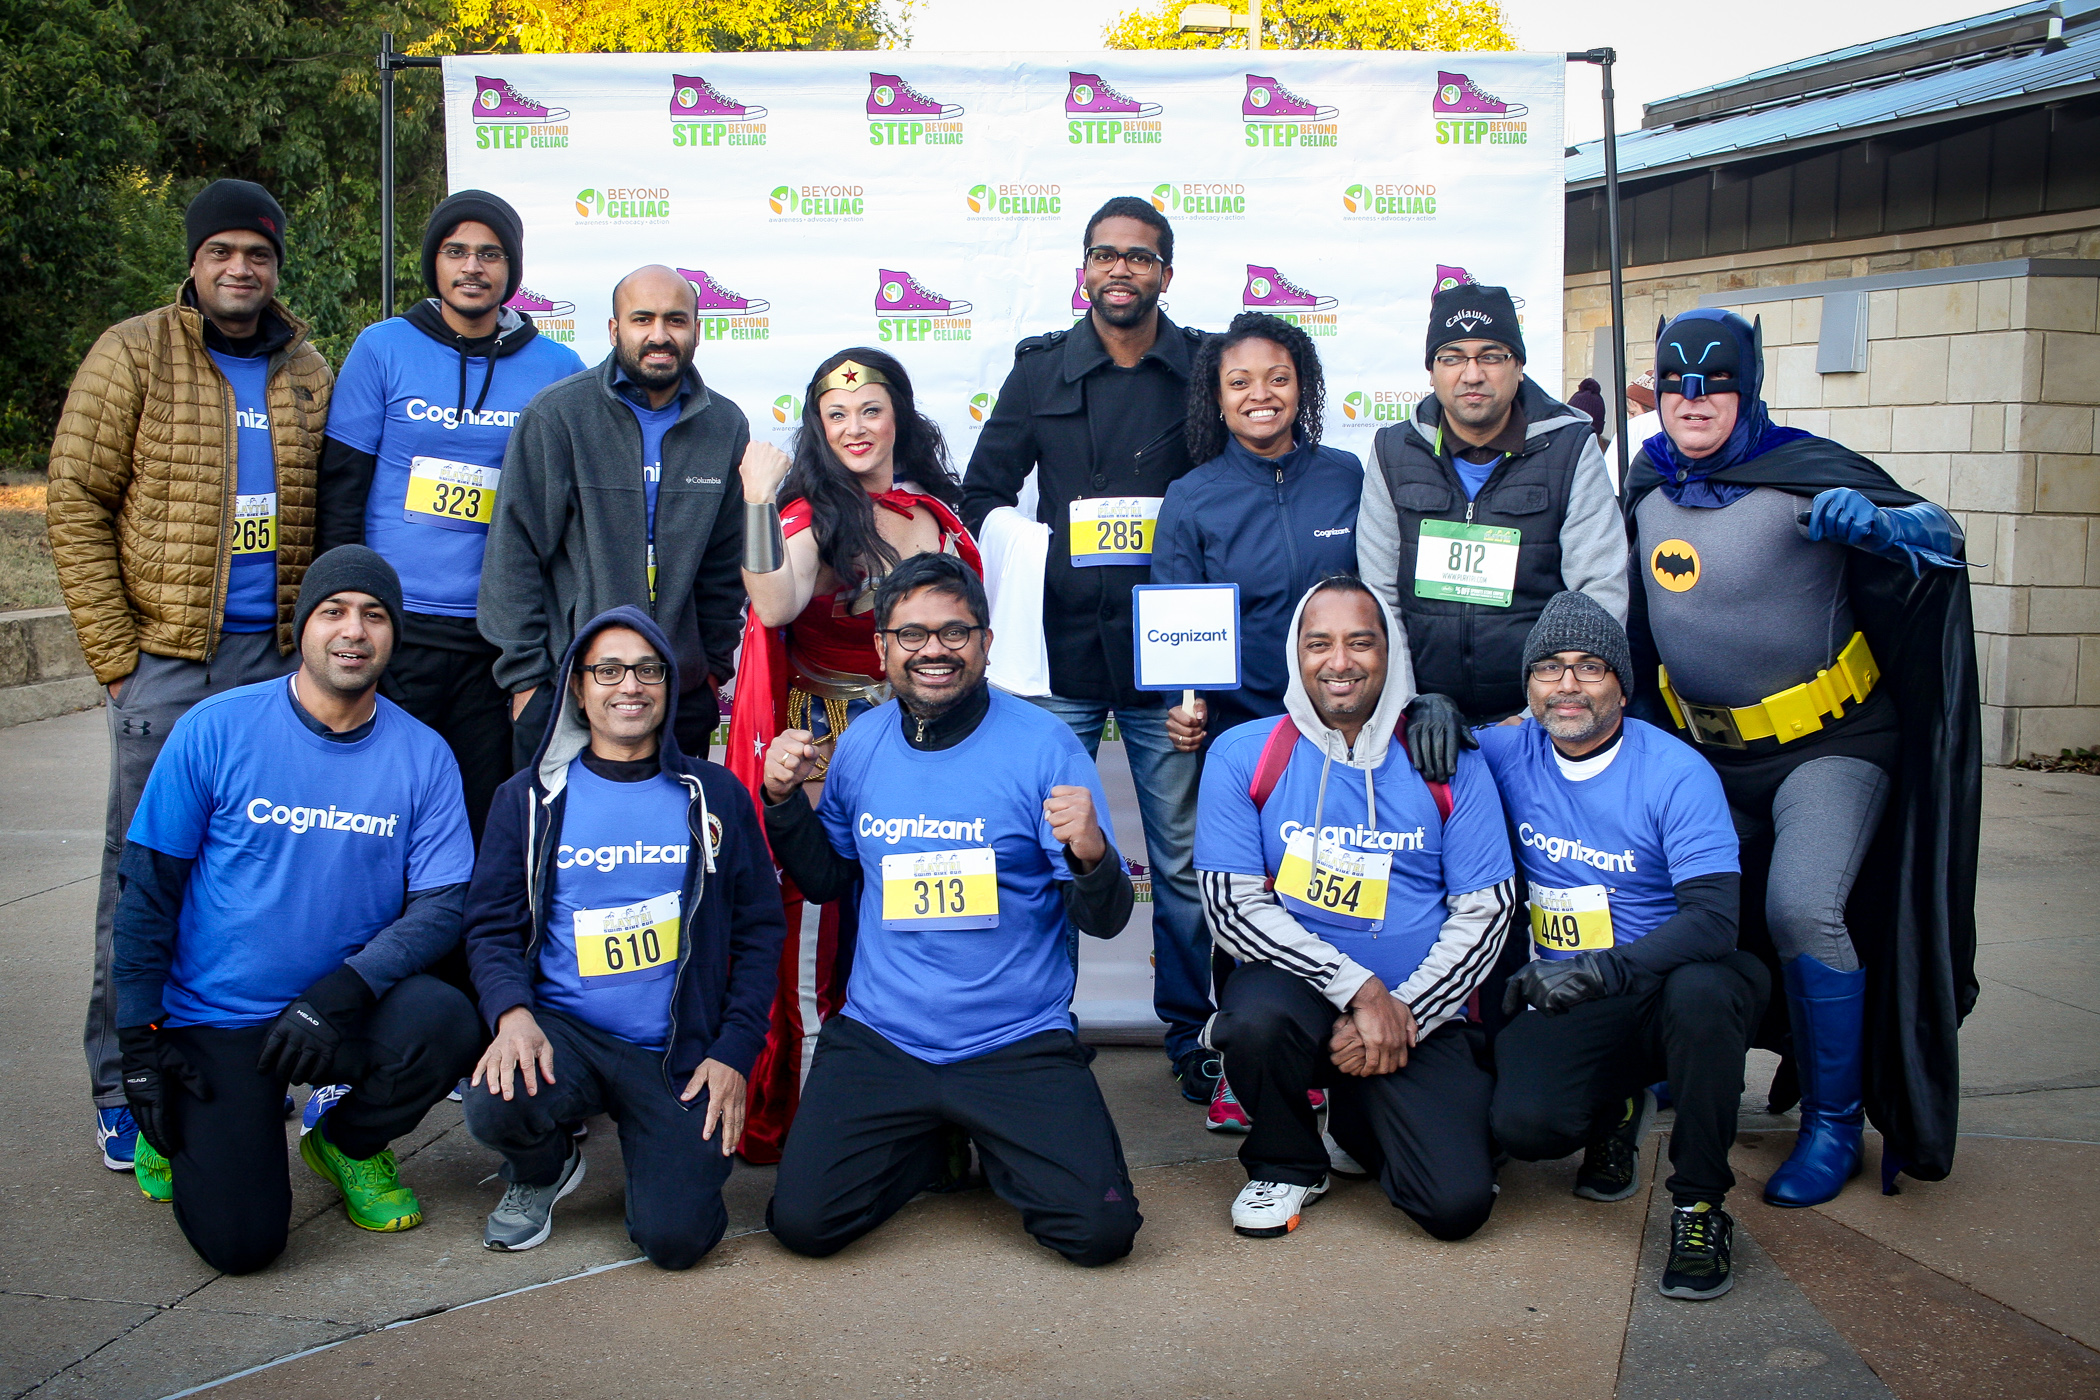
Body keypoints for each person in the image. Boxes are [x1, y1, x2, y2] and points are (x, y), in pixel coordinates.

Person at [1624, 308, 1978, 1205]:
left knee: (1801, 908)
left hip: (1832, 746)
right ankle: (1688, 1066)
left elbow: (1944, 538)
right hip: (1702, 752)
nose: (1694, 401)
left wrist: (1890, 527)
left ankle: (1831, 1122)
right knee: (1685, 908)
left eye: (1716, 384)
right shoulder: (1645, 482)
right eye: (1676, 384)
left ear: (1750, 388)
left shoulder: (1807, 470)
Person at [47, 178, 332, 1172]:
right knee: (143, 880)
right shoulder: (135, 353)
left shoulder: (307, 369)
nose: (240, 269)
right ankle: (123, 1080)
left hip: (276, 672)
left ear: (275, 265)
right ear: (196, 262)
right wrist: (121, 662)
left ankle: (255, 1069)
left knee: (266, 877)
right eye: (222, 253)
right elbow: (75, 505)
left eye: (257, 254)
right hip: (169, 665)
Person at [759, 553, 1141, 1267]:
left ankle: (988, 1141)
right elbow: (827, 880)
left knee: (1099, 1235)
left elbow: (1109, 919)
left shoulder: (1045, 746)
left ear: (986, 643)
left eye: (954, 632)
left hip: (1014, 1040)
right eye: (911, 634)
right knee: (802, 1225)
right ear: (882, 649)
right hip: (884, 1038)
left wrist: (1092, 854)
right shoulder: (863, 744)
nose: (933, 649)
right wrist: (781, 806)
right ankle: (933, 1139)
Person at [110, 547, 480, 1273]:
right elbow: (147, 890)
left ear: (393, 636)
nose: (354, 631)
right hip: (217, 1017)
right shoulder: (216, 728)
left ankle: (345, 1143)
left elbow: (444, 904)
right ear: (302, 627)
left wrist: (343, 991)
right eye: (333, 611)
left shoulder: (424, 754)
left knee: (447, 1021)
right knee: (243, 1245)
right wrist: (137, 1045)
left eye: (374, 616)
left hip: (336, 1009)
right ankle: (177, 1131)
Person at [959, 195, 1213, 1105]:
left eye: (1139, 258)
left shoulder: (1205, 369)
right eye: (1104, 255)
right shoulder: (1039, 374)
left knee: (1180, 860)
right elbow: (979, 496)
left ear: (1164, 275)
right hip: (1058, 649)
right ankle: (1041, 1029)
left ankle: (1195, 1036)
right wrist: (1044, 551)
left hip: (1168, 657)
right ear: (1084, 269)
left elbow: (1225, 493)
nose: (1120, 270)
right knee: (1050, 848)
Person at [460, 606, 785, 1266]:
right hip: (567, 1034)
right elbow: (492, 925)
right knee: (494, 1100)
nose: (628, 686)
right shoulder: (527, 800)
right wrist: (512, 1014)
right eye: (607, 670)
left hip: (677, 1052)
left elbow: (759, 931)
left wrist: (734, 1051)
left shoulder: (715, 795)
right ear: (579, 688)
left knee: (677, 1240)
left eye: (646, 670)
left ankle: (662, 1162)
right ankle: (544, 1167)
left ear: (669, 686)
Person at [1195, 576, 1514, 1242]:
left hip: (1417, 1011)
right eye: (1320, 644)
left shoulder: (1446, 760)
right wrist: (1359, 991)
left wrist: (1403, 1013)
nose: (1339, 662)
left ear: (1389, 652)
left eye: (1359, 642)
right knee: (1253, 1021)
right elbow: (1231, 906)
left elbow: (1485, 912)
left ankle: (1360, 1127)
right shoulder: (1246, 753)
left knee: (1456, 1207)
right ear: (1296, 654)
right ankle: (1287, 1161)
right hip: (1298, 998)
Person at [724, 348, 982, 1163]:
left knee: (923, 918)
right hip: (831, 751)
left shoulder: (936, 514)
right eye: (836, 415)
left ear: (897, 413)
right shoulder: (805, 515)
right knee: (820, 936)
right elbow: (774, 601)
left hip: (931, 744)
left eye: (869, 409)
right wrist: (762, 499)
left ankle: (927, 1112)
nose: (854, 428)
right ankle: (809, 1126)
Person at [1480, 591, 1765, 1301]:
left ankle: (1700, 1205)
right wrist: (1428, 715)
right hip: (1571, 985)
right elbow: (1396, 744)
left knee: (1706, 994)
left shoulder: (1675, 772)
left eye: (1589, 667)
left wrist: (1606, 968)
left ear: (1621, 684)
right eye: (1548, 668)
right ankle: (1619, 1105)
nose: (1567, 685)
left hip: (1667, 978)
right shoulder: (1506, 748)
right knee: (1527, 1126)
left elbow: (1713, 921)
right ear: (1528, 686)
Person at [316, 189, 585, 841]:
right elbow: (341, 494)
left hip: (497, 641)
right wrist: (344, 613)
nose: (473, 266)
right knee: (380, 811)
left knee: (479, 818)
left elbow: (572, 523)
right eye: (455, 251)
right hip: (395, 630)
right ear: (433, 264)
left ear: (511, 272)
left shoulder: (559, 369)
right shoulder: (382, 349)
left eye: (490, 254)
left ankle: (471, 946)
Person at [480, 263, 748, 771]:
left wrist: (708, 670)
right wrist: (528, 683)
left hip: (676, 691)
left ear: (697, 329)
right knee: (556, 844)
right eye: (642, 319)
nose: (659, 335)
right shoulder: (559, 415)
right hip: (568, 686)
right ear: (613, 329)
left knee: (667, 841)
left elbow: (722, 567)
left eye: (675, 320)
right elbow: (513, 554)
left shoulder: (724, 425)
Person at [1356, 280, 1627, 725]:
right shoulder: (1392, 451)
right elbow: (1380, 597)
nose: (1472, 374)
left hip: (1542, 722)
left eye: (1491, 356)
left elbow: (1597, 596)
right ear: (1431, 370)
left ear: (1518, 366)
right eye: (1452, 357)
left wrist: (1534, 716)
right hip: (1424, 718)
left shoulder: (1571, 448)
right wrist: (1409, 707)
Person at [1152, 311, 1363, 744]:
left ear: (1302, 386)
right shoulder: (1191, 498)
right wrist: (1181, 703)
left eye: (1278, 379)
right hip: (1243, 730)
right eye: (1239, 382)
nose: (1260, 395)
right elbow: (1175, 626)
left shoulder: (1348, 475)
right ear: (1217, 395)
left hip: (1347, 721)